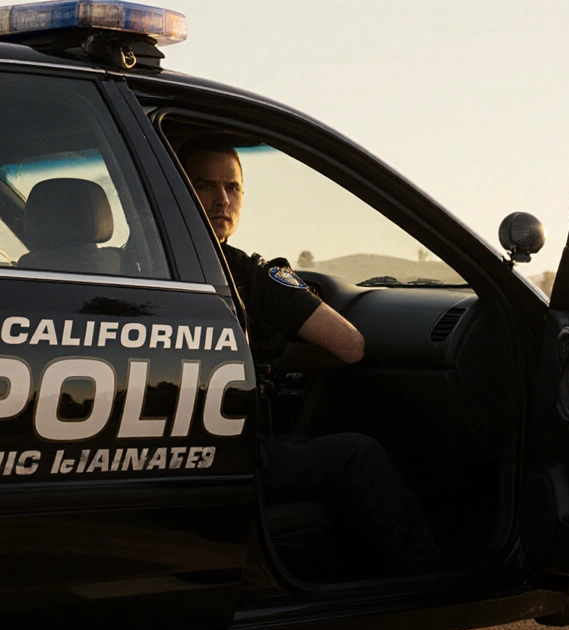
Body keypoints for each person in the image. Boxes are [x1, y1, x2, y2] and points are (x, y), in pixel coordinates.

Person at [178, 136, 437, 576]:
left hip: (164, 457)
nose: (222, 199)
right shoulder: (246, 274)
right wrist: (271, 360)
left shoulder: (130, 266)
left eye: (233, 187)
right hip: (233, 454)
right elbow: (349, 346)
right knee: (358, 455)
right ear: (179, 190)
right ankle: (424, 583)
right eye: (205, 185)